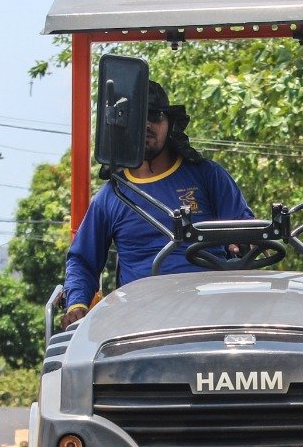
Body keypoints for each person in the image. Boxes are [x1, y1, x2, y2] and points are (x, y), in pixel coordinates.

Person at [62, 82, 252, 326]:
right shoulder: (111, 196)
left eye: (154, 116)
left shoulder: (208, 176)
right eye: (138, 118)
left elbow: (245, 228)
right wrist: (77, 303)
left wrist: (242, 240)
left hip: (211, 311)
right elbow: (82, 260)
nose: (147, 125)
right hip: (141, 319)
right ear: (125, 128)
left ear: (170, 124)